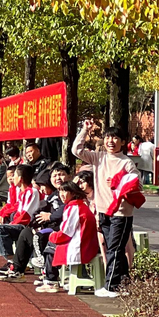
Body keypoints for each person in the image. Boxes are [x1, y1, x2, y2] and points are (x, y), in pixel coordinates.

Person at [73, 121, 144, 298]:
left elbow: (137, 184)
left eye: (115, 138)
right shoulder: (99, 157)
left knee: (114, 249)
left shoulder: (127, 163)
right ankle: (125, 284)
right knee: (114, 249)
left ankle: (111, 286)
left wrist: (118, 181)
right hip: (104, 211)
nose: (110, 141)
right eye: (107, 137)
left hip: (121, 213)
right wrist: (85, 130)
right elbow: (77, 150)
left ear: (123, 141)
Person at [35, 181, 99, 294]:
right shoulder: (79, 205)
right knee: (51, 242)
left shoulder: (74, 207)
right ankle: (50, 276)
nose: (62, 194)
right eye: (60, 191)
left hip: (81, 245)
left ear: (73, 193)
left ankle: (51, 281)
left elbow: (66, 233)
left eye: (65, 191)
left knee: (51, 247)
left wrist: (53, 237)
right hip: (87, 243)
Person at [0, 164, 41, 269]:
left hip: (26, 226)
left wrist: (12, 224)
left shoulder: (32, 192)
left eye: (15, 175)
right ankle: (13, 260)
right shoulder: (22, 192)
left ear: (21, 179)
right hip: (19, 224)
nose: (13, 178)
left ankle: (14, 262)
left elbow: (26, 215)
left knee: (0, 229)